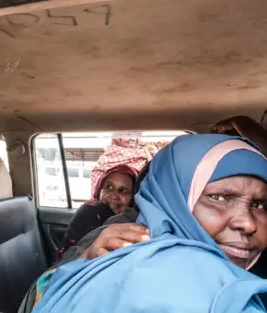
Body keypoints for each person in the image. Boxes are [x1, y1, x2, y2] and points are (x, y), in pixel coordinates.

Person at [22, 134, 267, 313]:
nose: (248, 223)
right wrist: (84, 262)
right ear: (170, 195)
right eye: (219, 197)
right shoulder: (119, 232)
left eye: (260, 205)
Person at [56, 164, 138, 260]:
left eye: (123, 191)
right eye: (109, 187)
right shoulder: (90, 212)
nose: (114, 195)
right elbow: (66, 259)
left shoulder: (135, 222)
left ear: (133, 198)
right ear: (100, 190)